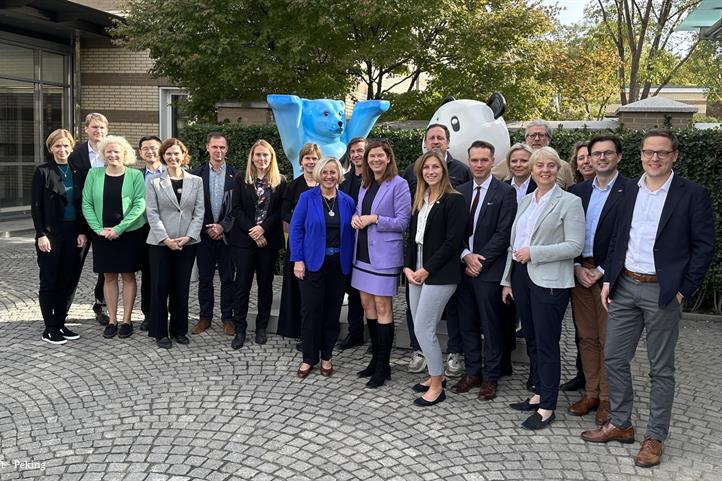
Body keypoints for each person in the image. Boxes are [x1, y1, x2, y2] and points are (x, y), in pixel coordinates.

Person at [581, 130, 715, 468]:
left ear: (674, 156)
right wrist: (610, 278)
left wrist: (683, 289)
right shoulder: (628, 190)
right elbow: (616, 240)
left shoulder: (691, 194)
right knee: (613, 357)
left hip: (663, 292)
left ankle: (655, 436)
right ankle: (622, 423)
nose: (654, 158)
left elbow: (704, 248)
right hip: (625, 286)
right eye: (648, 152)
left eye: (662, 153)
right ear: (640, 155)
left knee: (661, 369)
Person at [501, 146, 585, 430]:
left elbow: (575, 246)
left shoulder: (569, 202)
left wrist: (535, 252)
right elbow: (514, 244)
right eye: (540, 166)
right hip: (522, 277)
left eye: (551, 166)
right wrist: (507, 280)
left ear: (558, 169)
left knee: (547, 344)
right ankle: (538, 394)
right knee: (534, 341)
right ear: (532, 170)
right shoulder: (525, 201)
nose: (545, 171)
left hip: (550, 281)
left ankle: (548, 407)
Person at [567, 134, 631, 426]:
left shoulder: (630, 190)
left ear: (618, 156)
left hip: (611, 276)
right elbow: (568, 233)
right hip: (580, 273)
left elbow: (627, 237)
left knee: (608, 340)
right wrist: (578, 266)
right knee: (587, 337)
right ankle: (591, 392)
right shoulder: (578, 191)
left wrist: (603, 270)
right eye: (596, 154)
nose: (601, 158)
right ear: (588, 158)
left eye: (608, 153)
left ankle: (607, 398)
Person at [402, 124, 470, 377]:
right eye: (426, 167)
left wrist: (426, 270)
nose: (430, 171)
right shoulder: (420, 199)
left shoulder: (455, 200)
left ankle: (436, 381)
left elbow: (452, 243)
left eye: (435, 167)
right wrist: (408, 267)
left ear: (444, 171)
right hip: (416, 270)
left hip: (439, 272)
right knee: (420, 329)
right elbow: (412, 238)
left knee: (424, 328)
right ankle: (434, 377)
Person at [452, 141, 516, 400]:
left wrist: (481, 260)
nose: (478, 165)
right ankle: (472, 372)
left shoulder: (505, 192)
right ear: (469, 162)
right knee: (466, 323)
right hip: (463, 268)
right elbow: (452, 231)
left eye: (483, 160)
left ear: (492, 161)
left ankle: (491, 377)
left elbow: (504, 233)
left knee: (491, 326)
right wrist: (467, 256)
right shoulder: (459, 191)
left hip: (489, 271)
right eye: (474, 160)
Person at [352, 140, 411, 388]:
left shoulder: (399, 184)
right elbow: (360, 213)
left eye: (379, 156)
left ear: (388, 158)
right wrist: (357, 219)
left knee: (382, 306)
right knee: (367, 305)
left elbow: (402, 222)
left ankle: (383, 365)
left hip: (384, 256)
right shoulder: (365, 184)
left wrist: (374, 219)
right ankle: (375, 360)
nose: (375, 160)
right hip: (362, 253)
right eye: (371, 156)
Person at [290, 157, 356, 378]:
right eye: (325, 172)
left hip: (338, 264)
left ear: (339, 175)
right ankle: (309, 358)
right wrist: (298, 260)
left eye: (333, 172)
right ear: (319, 173)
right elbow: (296, 229)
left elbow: (353, 233)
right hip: (311, 265)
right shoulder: (306, 198)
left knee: (332, 311)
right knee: (310, 312)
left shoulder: (347, 201)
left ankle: (326, 356)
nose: (329, 176)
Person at [82, 135, 146, 339]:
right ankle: (112, 320)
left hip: (129, 233)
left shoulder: (135, 175)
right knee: (108, 277)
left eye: (116, 151)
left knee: (128, 275)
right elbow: (87, 203)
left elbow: (139, 204)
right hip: (102, 234)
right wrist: (98, 229)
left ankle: (127, 320)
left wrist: (119, 228)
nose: (112, 155)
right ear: (103, 154)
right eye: (108, 151)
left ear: (125, 154)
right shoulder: (94, 174)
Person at [145, 138, 204, 349]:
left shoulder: (196, 181)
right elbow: (151, 212)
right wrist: (166, 239)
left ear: (183, 155)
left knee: (181, 287)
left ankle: (179, 330)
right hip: (160, 244)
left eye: (176, 153)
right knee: (160, 287)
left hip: (187, 243)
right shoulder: (153, 183)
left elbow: (199, 212)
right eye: (168, 154)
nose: (173, 157)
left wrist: (189, 237)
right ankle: (160, 332)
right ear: (163, 156)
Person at [227, 140, 286, 350]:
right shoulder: (241, 179)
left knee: (265, 286)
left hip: (267, 242)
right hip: (244, 241)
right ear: (252, 156)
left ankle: (261, 327)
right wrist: (253, 230)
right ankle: (240, 328)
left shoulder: (280, 181)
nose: (262, 159)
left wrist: (263, 229)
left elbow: (280, 211)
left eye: (266, 155)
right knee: (242, 286)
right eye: (258, 155)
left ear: (271, 158)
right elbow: (236, 209)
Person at [32, 129, 89, 345]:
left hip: (73, 233)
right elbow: (36, 206)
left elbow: (83, 203)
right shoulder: (43, 171)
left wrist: (83, 231)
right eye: (57, 146)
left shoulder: (78, 171)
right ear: (50, 148)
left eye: (66, 145)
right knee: (50, 280)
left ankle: (61, 322)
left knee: (67, 280)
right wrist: (41, 234)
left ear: (72, 148)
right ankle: (50, 327)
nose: (62, 149)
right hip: (51, 234)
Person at [190, 133, 237, 336]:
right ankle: (205, 317)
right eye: (215, 147)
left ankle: (228, 317)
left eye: (222, 147)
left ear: (227, 149)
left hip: (227, 237)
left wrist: (222, 227)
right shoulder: (196, 175)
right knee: (205, 279)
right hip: (203, 235)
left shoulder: (237, 176)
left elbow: (238, 208)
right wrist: (208, 228)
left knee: (228, 279)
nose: (219, 151)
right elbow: (191, 206)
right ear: (207, 148)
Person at [277, 143, 320, 345]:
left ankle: (318, 330)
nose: (311, 162)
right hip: (299, 243)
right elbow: (284, 212)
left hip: (320, 245)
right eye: (307, 158)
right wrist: (300, 218)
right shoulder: (293, 186)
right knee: (299, 289)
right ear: (301, 161)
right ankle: (301, 332)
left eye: (314, 158)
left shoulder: (326, 184)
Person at [69, 112, 109, 325]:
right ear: (86, 129)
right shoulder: (74, 154)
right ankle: (63, 309)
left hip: (105, 220)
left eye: (102, 128)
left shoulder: (112, 152)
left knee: (105, 267)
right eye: (94, 127)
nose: (98, 131)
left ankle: (100, 305)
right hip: (81, 220)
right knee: (73, 265)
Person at [561, 139, 593, 392]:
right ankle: (584, 377)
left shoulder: (623, 190)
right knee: (582, 329)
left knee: (603, 334)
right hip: (576, 266)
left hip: (602, 269)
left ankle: (601, 390)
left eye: (589, 156)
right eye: (581, 158)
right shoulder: (573, 192)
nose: (586, 161)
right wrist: (575, 265)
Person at [337, 137, 367, 350]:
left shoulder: (376, 179)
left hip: (369, 242)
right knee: (352, 289)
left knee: (372, 292)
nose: (357, 155)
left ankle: (376, 336)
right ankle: (355, 332)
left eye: (360, 151)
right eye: (353, 152)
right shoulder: (344, 180)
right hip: (347, 242)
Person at [138, 135, 165, 332]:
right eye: (145, 148)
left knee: (169, 275)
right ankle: (148, 314)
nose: (150, 151)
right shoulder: (135, 176)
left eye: (154, 147)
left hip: (170, 230)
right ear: (140, 153)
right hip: (144, 231)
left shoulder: (174, 172)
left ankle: (169, 313)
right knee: (148, 274)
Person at [522, 120, 575, 189]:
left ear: (549, 139)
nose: (537, 139)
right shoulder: (510, 164)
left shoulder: (563, 166)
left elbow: (572, 192)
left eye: (541, 135)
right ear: (526, 139)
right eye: (532, 135)